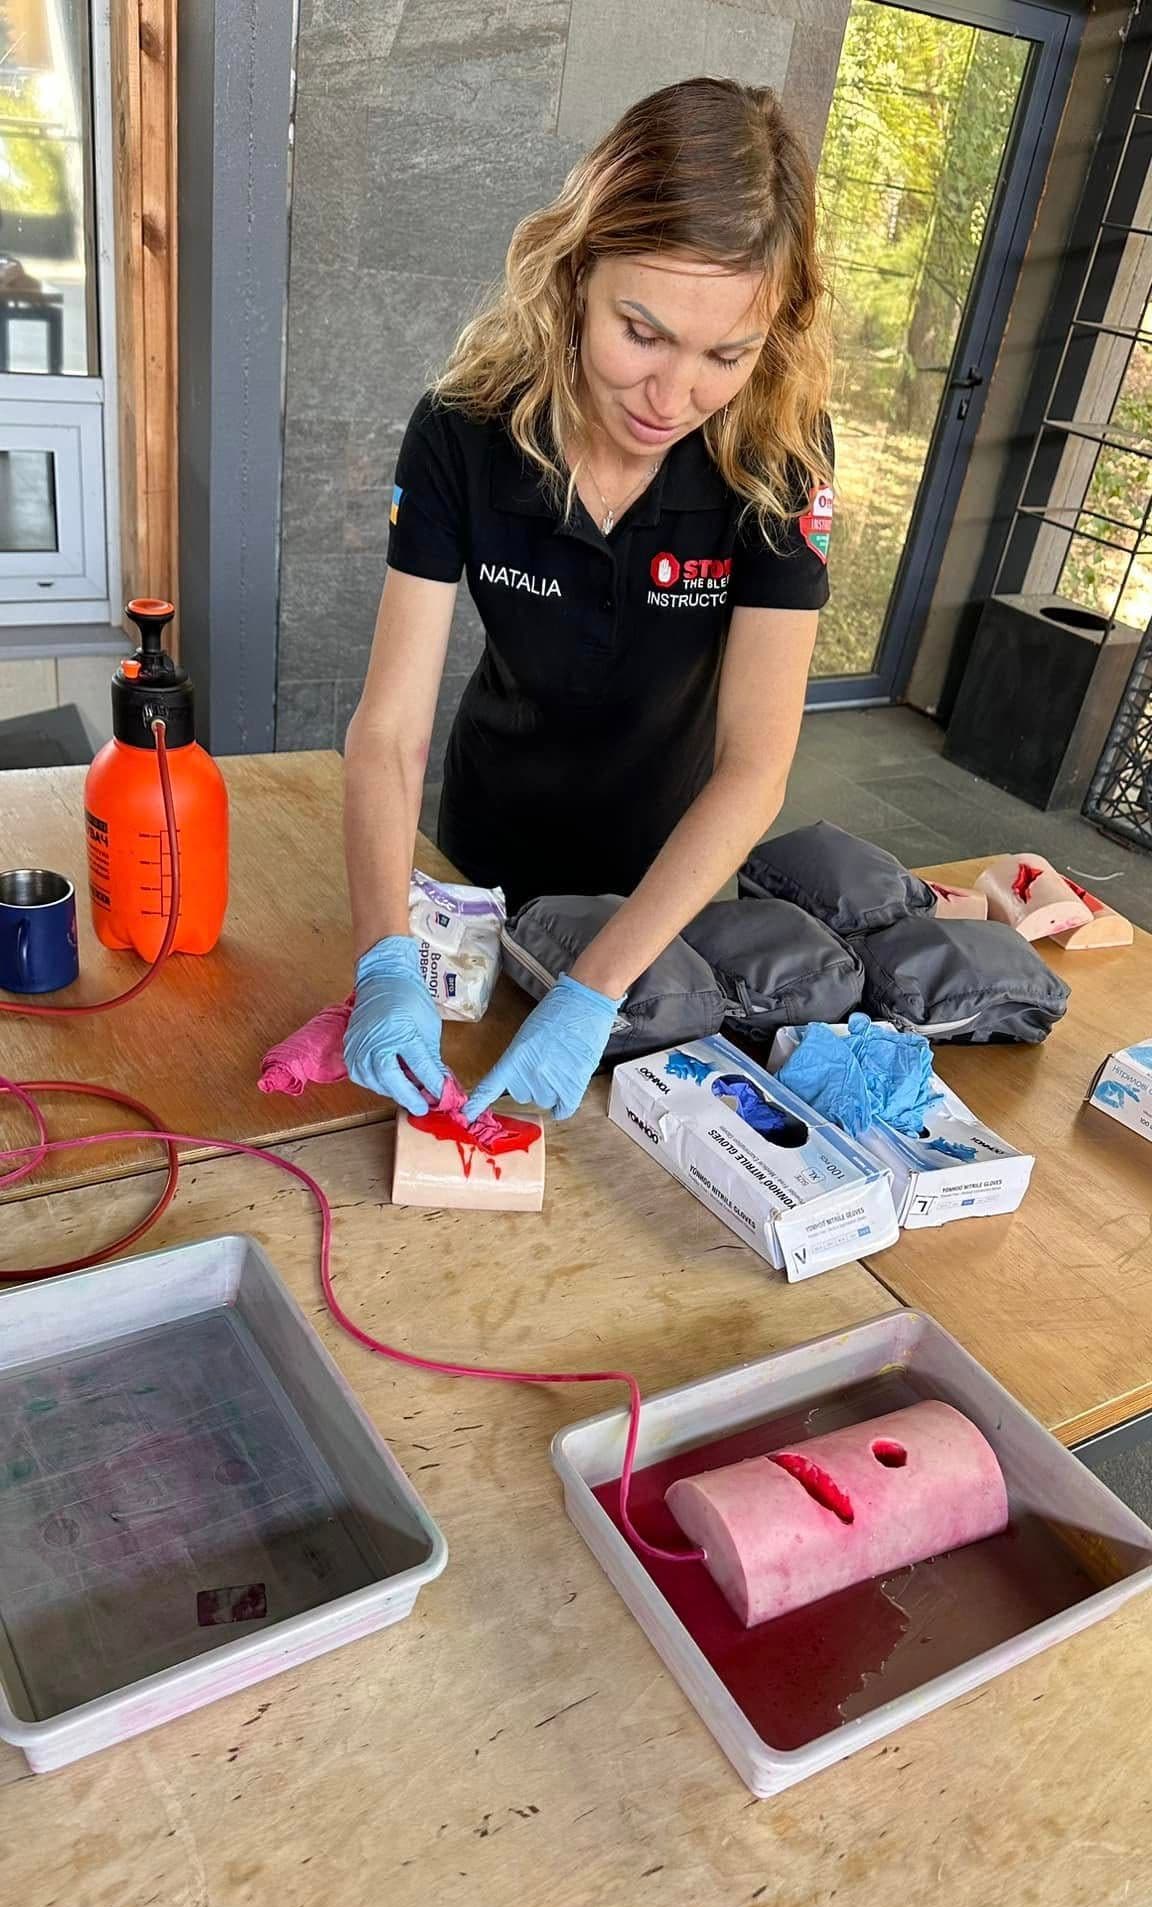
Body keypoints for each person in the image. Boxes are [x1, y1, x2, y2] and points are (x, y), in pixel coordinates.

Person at [342, 75, 833, 1125]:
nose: (673, 396)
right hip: (485, 856)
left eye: (726, 354)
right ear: (574, 275)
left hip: (667, 877)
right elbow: (388, 734)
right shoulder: (463, 432)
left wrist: (595, 988)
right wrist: (384, 954)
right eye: (642, 333)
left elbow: (756, 762)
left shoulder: (777, 456)